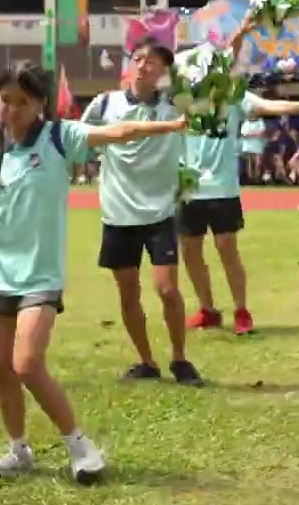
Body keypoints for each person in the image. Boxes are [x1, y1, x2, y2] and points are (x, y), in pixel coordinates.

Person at [0, 65, 187, 483]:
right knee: (2, 369)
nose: (10, 110)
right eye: (5, 100)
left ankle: (81, 447)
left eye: (21, 102)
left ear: (40, 104)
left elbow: (116, 134)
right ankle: (18, 450)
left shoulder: (60, 138)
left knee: (27, 363)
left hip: (38, 276)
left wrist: (168, 125)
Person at [82, 37, 203, 386]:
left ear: (164, 71)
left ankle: (180, 359)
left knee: (167, 290)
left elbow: (214, 79)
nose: (144, 65)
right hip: (118, 215)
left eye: (153, 61)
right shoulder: (105, 104)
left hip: (160, 213)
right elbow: (79, 137)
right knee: (128, 293)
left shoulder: (175, 107)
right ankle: (146, 362)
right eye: (138, 58)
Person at [180, 87, 299, 334]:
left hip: (223, 187)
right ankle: (207, 309)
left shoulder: (234, 95)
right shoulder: (182, 96)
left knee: (226, 248)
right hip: (190, 187)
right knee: (189, 250)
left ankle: (241, 310)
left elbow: (269, 106)